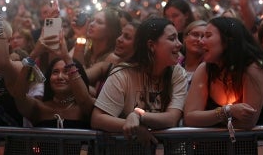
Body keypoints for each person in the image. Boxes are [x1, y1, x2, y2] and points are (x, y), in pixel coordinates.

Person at [91, 18, 187, 147]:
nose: (180, 44)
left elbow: (171, 118)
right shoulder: (123, 73)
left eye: (178, 38)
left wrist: (138, 116)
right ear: (151, 45)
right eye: (172, 39)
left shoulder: (177, 73)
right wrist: (134, 126)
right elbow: (97, 119)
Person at [183, 17, 263, 135]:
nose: (201, 41)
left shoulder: (252, 69)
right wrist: (228, 111)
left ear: (227, 41)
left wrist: (207, 119)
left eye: (208, 36)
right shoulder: (204, 69)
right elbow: (190, 118)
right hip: (210, 146)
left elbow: (247, 122)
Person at [0, 26, 95, 128]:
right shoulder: (39, 108)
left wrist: (67, 58)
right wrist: (34, 53)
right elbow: (18, 95)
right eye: (55, 72)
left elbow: (84, 100)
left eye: (66, 72)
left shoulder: (86, 107)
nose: (60, 76)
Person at [85, 21, 140, 97]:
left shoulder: (137, 76)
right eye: (121, 34)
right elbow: (82, 79)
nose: (119, 39)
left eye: (127, 37)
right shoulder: (111, 61)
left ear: (139, 45)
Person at [178, 20, 207, 89]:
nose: (199, 40)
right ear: (185, 38)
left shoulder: (209, 69)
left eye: (203, 36)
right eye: (195, 34)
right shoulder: (174, 64)